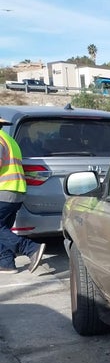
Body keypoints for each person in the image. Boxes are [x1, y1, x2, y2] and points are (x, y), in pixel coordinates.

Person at [0, 117, 44, 274]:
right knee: (3, 230)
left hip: (3, 191)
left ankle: (30, 248)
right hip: (15, 191)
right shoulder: (9, 140)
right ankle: (6, 263)